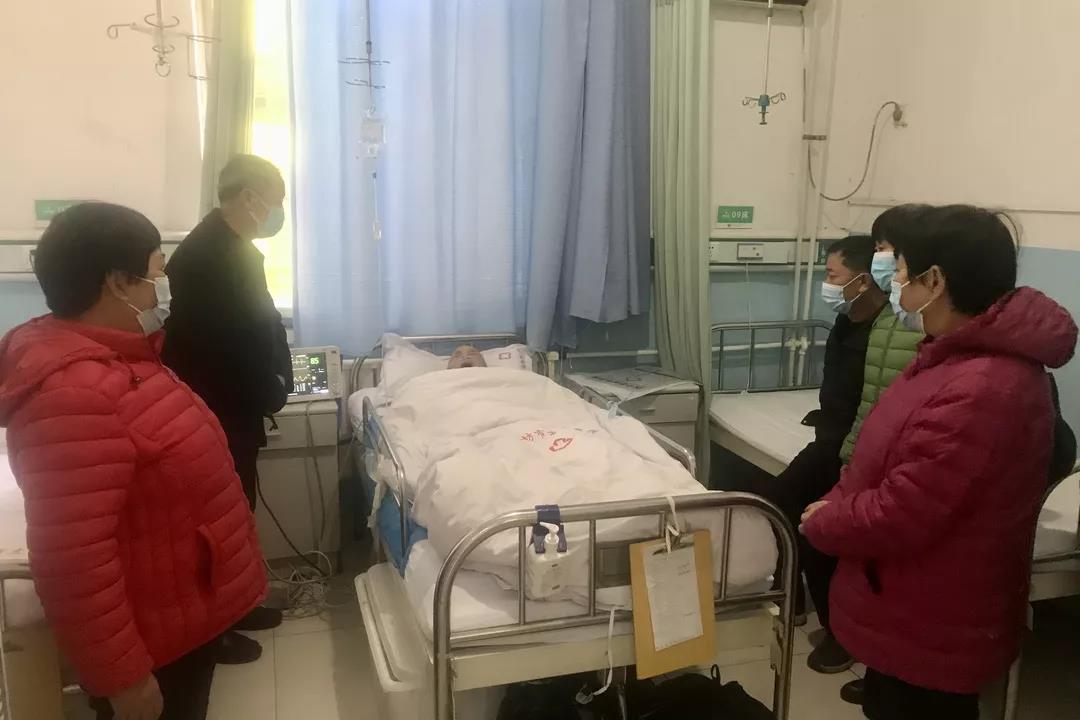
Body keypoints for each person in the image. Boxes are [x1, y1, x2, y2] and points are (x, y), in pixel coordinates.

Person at [801, 205, 1077, 720]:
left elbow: (906, 509)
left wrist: (828, 520)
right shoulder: (946, 357)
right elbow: (883, 453)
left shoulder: (984, 386)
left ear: (934, 280)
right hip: (906, 604)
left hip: (934, 614)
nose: (896, 283)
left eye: (902, 270)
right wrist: (840, 495)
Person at [0, 203, 267, 720]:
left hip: (178, 618)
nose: (161, 291)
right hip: (153, 646)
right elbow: (73, 560)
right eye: (155, 275)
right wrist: (122, 678)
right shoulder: (71, 395)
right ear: (117, 283)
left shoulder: (124, 359)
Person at [163, 155, 293, 664]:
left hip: (235, 407)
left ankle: (238, 607)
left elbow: (259, 325)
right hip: (216, 408)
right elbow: (226, 345)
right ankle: (211, 628)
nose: (278, 213)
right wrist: (269, 387)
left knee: (237, 512)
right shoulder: (206, 256)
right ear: (249, 197)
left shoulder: (234, 250)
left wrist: (272, 381)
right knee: (213, 524)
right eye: (276, 202)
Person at [749, 234, 887, 669]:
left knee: (813, 526)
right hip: (830, 439)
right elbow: (841, 387)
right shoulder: (846, 323)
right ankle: (792, 596)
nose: (826, 283)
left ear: (863, 279)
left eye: (832, 274)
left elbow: (877, 399)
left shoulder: (885, 333)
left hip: (852, 449)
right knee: (779, 504)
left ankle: (838, 631)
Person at [807, 206, 927, 674]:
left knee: (865, 555)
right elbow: (869, 397)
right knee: (825, 533)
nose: (886, 266)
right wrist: (851, 454)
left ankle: (859, 645)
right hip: (857, 448)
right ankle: (854, 640)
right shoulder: (883, 322)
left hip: (890, 461)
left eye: (887, 253)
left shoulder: (921, 331)